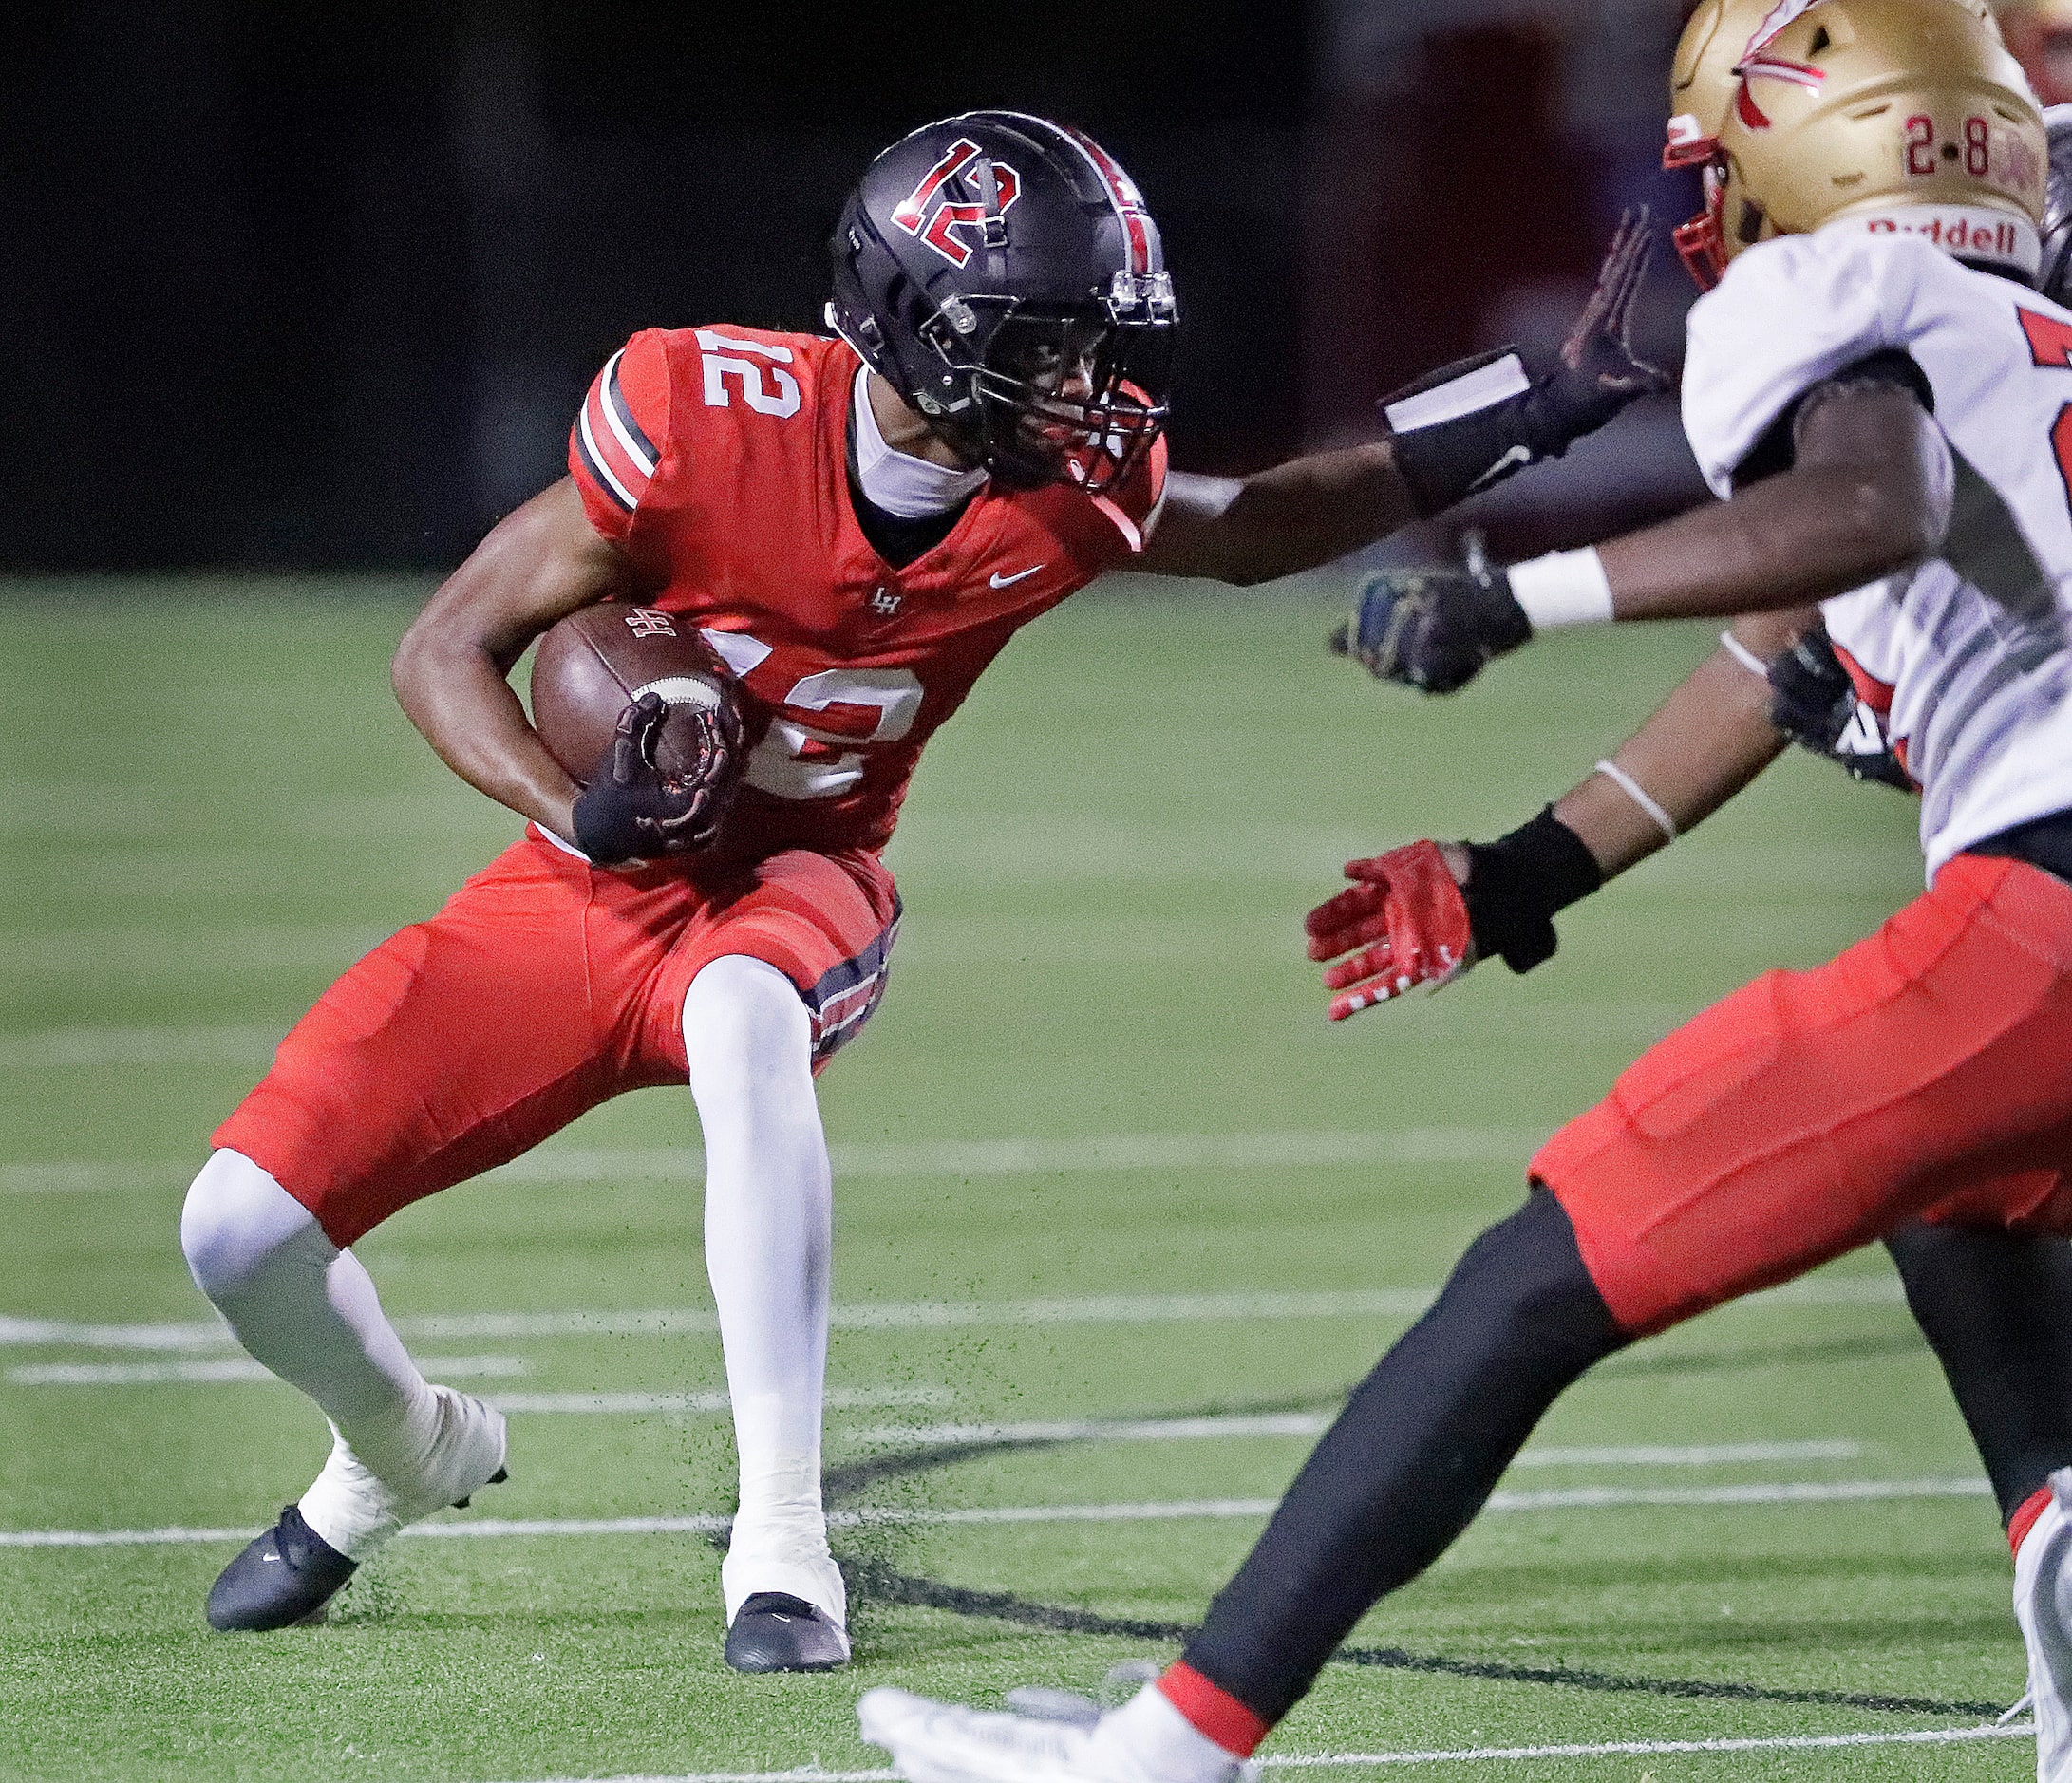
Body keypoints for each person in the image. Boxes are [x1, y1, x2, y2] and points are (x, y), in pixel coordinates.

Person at [177, 110, 1667, 1670]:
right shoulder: (695, 418)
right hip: (583, 887)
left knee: (748, 1016)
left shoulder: (1063, 493)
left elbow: (1257, 527)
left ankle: (781, 1547)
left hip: (809, 879)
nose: (1090, 384)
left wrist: (1535, 407)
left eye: (1097, 343)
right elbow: (442, 647)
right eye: (1049, 345)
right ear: (914, 325)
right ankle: (401, 1447)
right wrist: (580, 813)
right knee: (237, 1227)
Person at [858, 4, 2072, 1777]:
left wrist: (1525, 595)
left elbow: (1859, 519)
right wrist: (1528, 869)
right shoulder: (2028, 341)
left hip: (2041, 927)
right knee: (1949, 1184)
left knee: (1531, 1279)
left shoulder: (1835, 304)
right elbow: (1786, 650)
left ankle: (1164, 1748)